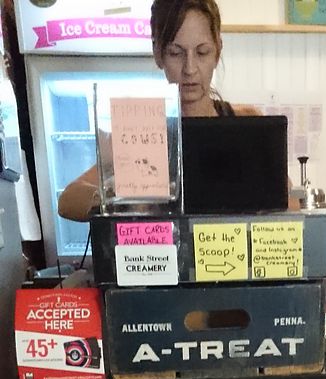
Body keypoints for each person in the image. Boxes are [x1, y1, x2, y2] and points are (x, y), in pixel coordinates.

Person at [58, 0, 259, 222]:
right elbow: (68, 200)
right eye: (175, 53)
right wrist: (117, 197)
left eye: (202, 52)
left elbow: (288, 202)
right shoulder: (141, 135)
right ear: (158, 54)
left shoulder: (245, 122)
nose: (190, 69)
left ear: (217, 52)